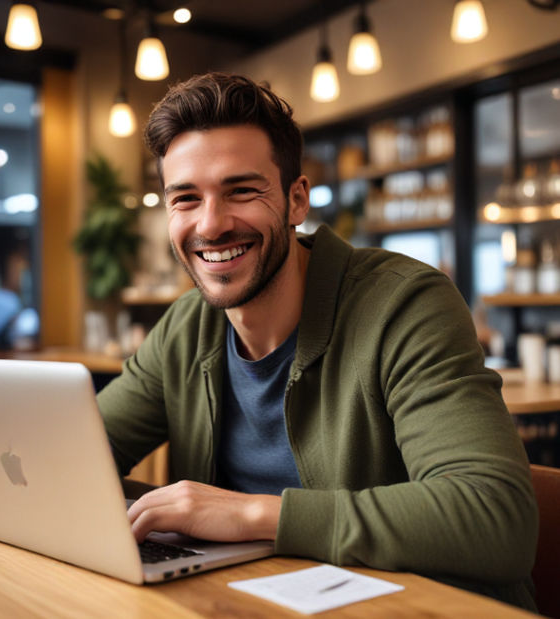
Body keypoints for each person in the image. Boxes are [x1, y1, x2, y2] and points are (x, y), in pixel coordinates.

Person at [97, 73, 538, 610]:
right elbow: (78, 453)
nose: (210, 225)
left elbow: (495, 517)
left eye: (241, 190)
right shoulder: (187, 327)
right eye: (185, 198)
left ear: (296, 199)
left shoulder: (406, 304)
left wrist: (255, 514)